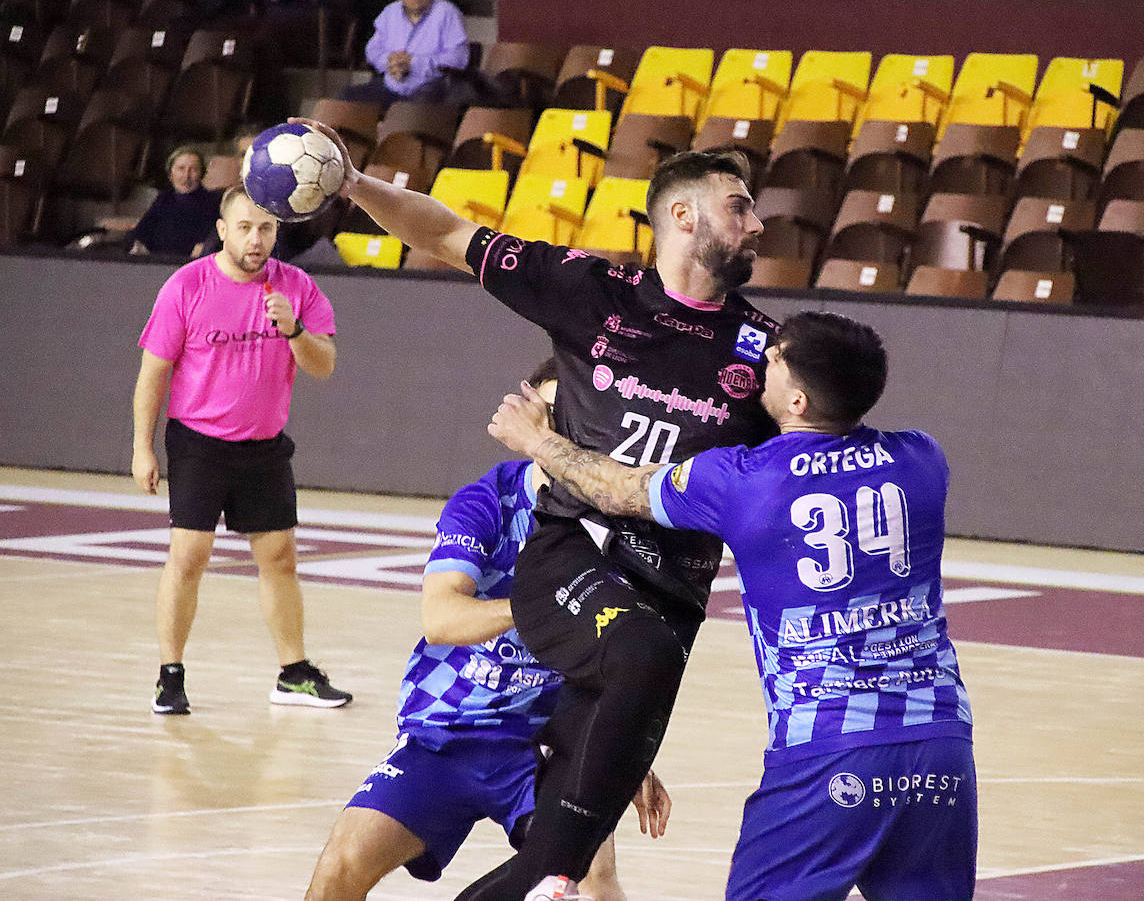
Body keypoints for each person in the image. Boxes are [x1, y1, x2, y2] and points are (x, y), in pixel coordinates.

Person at [297, 115, 777, 901]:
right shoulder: (592, 292)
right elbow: (450, 233)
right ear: (683, 216)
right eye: (740, 205)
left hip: (658, 609)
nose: (756, 223)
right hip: (571, 579)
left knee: (565, 868)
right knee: (354, 865)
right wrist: (352, 184)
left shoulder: (766, 352)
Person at [488, 311, 977, 901]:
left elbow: (614, 488)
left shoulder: (744, 479)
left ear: (796, 399)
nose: (758, 363)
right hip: (942, 743)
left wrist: (537, 440)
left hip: (826, 748)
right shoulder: (924, 459)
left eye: (774, 358)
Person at [304, 360, 670, 901]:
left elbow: (624, 653)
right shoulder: (487, 501)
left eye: (572, 421)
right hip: (450, 731)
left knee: (592, 877)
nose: (556, 432)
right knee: (341, 865)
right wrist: (533, 608)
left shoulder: (621, 525)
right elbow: (442, 619)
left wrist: (625, 749)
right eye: (548, 416)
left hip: (551, 739)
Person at [132, 184, 352, 715]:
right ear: (224, 230)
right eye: (246, 228)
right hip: (198, 442)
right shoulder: (187, 286)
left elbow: (323, 365)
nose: (257, 239)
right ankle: (170, 675)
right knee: (189, 556)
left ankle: (294, 673)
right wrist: (142, 447)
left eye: (267, 229)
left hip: (264, 447)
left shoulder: (295, 287)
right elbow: (153, 376)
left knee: (279, 558)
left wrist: (293, 329)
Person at [344, 0, 470, 107]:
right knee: (347, 98)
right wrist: (391, 61)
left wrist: (414, 63)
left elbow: (459, 58)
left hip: (431, 90)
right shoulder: (390, 12)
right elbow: (372, 50)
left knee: (409, 113)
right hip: (391, 88)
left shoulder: (447, 12)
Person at [128, 147, 222, 259]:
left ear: (201, 174)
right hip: (156, 265)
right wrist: (138, 244)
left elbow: (215, 239)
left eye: (193, 170)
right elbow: (141, 232)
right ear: (171, 174)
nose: (186, 176)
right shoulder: (163, 200)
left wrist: (206, 247)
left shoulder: (212, 202)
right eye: (181, 169)